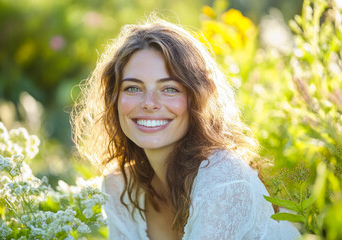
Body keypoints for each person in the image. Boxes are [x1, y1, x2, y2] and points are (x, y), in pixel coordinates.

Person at [71, 14, 301, 240]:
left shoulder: (224, 180)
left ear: (197, 98)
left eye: (169, 88)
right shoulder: (118, 186)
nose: (149, 103)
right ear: (114, 99)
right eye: (133, 88)